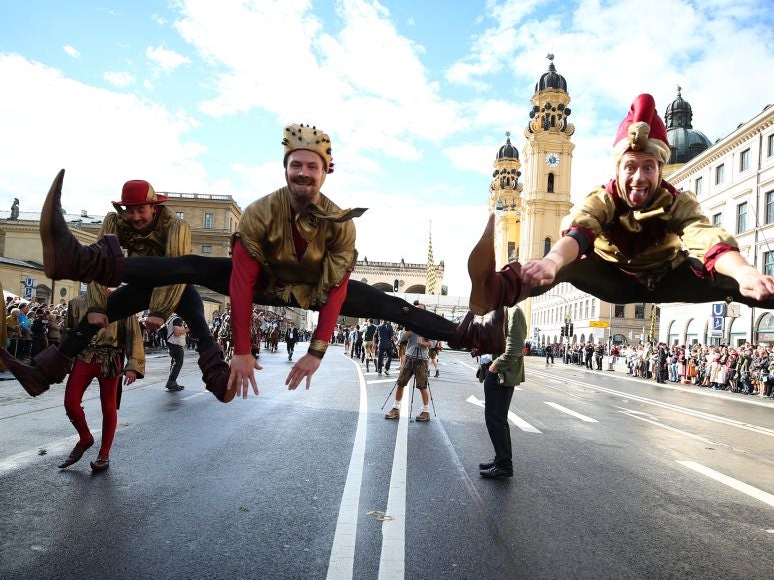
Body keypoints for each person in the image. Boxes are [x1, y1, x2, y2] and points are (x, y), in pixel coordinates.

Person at [5, 124, 505, 400]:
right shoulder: (264, 211)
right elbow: (241, 282)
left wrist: (316, 350)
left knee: (390, 304)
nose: (303, 173)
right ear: (286, 169)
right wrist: (241, 348)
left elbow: (334, 294)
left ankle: (474, 337)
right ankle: (77, 262)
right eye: (295, 166)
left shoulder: (341, 225)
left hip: (310, 292)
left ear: (326, 171)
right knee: (194, 269)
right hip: (264, 283)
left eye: (311, 166)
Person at [467, 94, 774, 322]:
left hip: (667, 277)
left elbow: (707, 238)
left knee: (744, 285)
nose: (638, 178)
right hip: (613, 280)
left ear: (659, 167)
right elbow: (579, 232)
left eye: (648, 167)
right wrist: (551, 263)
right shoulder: (604, 197)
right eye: (630, 167)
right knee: (562, 265)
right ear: (620, 168)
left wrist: (745, 273)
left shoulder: (676, 200)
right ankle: (494, 290)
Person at [0, 177, 234, 402]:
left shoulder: (175, 225)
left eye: (141, 210)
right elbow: (101, 262)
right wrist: (96, 306)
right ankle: (39, 377)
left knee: (198, 321)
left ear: (154, 207)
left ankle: (219, 380)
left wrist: (160, 311)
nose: (135, 216)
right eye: (130, 210)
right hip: (140, 283)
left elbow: (177, 266)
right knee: (87, 324)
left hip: (175, 284)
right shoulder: (116, 221)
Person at [58, 294, 144, 473]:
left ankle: (103, 455)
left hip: (110, 359)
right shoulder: (76, 303)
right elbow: (67, 332)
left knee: (109, 408)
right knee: (70, 402)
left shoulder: (124, 301)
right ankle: (85, 438)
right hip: (83, 357)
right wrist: (63, 359)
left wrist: (133, 365)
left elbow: (133, 335)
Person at [478, 304, 526, 480]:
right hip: (497, 373)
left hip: (501, 374)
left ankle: (504, 465)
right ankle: (501, 460)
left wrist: (495, 366)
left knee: (496, 420)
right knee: (496, 420)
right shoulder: (503, 310)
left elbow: (515, 348)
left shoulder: (515, 311)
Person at [384, 324, 433, 423]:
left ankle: (426, 411)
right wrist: (410, 330)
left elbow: (434, 343)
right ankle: (396, 408)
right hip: (409, 357)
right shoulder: (411, 325)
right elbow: (402, 338)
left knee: (422, 386)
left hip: (422, 359)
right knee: (400, 383)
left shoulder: (428, 326)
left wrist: (424, 343)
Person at [164, 313, 187, 391]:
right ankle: (171, 382)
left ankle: (172, 382)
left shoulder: (172, 318)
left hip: (172, 345)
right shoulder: (177, 319)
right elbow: (177, 333)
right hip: (175, 345)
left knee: (175, 364)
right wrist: (188, 329)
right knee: (178, 364)